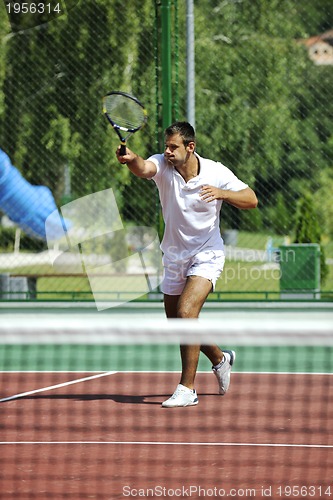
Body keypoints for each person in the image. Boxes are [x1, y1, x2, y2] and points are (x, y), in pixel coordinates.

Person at [116, 121, 258, 408]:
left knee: (186, 311)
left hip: (207, 253)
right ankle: (220, 358)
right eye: (165, 146)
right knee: (177, 323)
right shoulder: (162, 166)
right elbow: (144, 168)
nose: (167, 152)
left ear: (190, 147)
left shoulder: (216, 171)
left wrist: (223, 193)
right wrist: (131, 160)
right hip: (174, 256)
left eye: (173, 147)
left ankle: (187, 388)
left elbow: (251, 199)